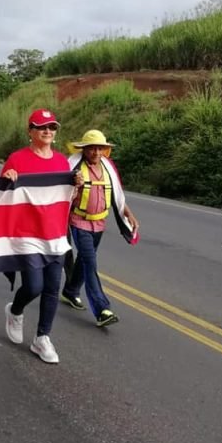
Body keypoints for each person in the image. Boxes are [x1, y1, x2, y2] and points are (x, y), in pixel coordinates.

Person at [1, 109, 82, 364]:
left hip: (55, 233)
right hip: (27, 234)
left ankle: (42, 337)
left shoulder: (62, 162)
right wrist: (7, 179)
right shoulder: (17, 159)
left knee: (52, 288)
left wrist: (77, 186)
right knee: (34, 286)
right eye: (41, 126)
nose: (47, 131)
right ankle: (15, 311)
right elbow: (1, 195)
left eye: (52, 127)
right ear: (30, 131)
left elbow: (68, 199)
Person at [61, 129, 140, 327]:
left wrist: (128, 214)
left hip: (99, 223)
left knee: (84, 260)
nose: (96, 152)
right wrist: (74, 184)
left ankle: (70, 291)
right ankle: (102, 309)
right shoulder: (74, 168)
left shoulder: (108, 168)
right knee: (90, 262)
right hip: (79, 222)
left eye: (100, 148)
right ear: (83, 149)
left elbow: (116, 195)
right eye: (92, 149)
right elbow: (62, 195)